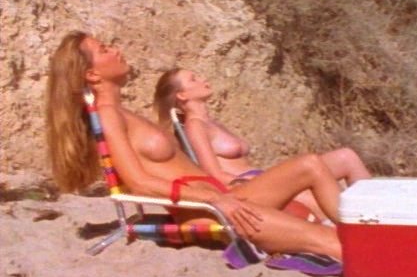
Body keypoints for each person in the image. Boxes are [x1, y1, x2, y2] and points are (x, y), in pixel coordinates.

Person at [45, 31, 344, 260]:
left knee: (311, 164)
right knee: (333, 243)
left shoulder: (123, 113)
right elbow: (138, 183)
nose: (116, 50)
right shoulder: (109, 115)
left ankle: (358, 228)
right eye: (104, 50)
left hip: (226, 198)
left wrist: (222, 193)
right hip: (209, 212)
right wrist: (214, 199)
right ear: (92, 74)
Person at [153, 68, 372, 219]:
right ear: (182, 95)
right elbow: (214, 174)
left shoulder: (211, 123)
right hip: (248, 186)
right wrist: (257, 180)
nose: (203, 79)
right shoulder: (195, 127)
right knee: (323, 201)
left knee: (346, 157)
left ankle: (379, 211)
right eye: (193, 79)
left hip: (259, 176)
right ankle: (365, 230)